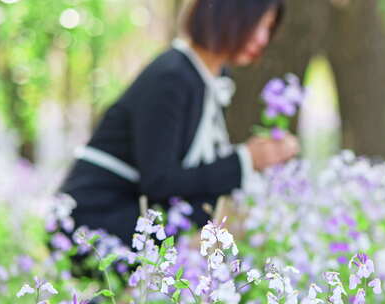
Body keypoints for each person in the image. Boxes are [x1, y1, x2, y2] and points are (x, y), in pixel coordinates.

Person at [59, 0, 299, 245]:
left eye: (268, 29)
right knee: (226, 223)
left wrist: (255, 158)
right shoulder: (171, 77)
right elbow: (160, 181)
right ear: (228, 16)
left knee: (240, 217)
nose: (263, 39)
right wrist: (246, 160)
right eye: (259, 26)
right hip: (93, 223)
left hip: (138, 215)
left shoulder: (212, 79)